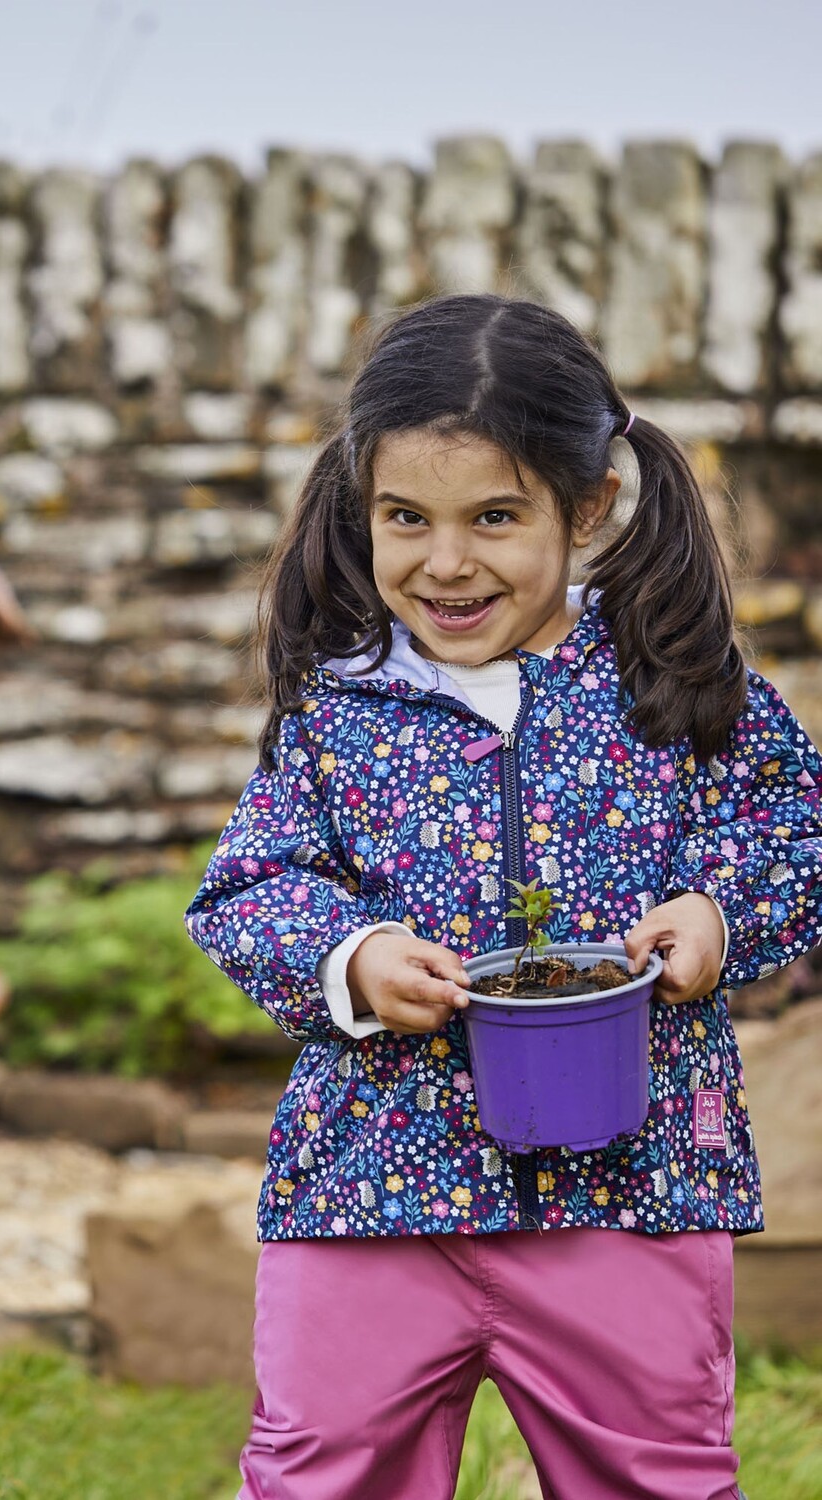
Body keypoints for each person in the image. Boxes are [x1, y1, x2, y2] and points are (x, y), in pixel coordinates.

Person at [186, 294, 821, 1500]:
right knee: (325, 1475)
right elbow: (251, 885)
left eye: (494, 516)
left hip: (628, 1195)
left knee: (655, 1477)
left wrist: (717, 916)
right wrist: (355, 955)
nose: (446, 561)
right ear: (359, 507)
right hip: (371, 1193)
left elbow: (796, 831)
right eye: (404, 519)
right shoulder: (340, 707)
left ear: (584, 509)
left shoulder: (674, 680)